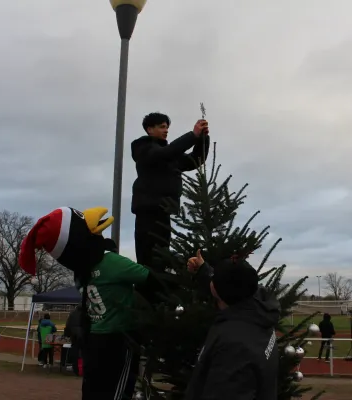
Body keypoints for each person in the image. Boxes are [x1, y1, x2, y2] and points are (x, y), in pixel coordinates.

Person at [18, 206, 165, 399]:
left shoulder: (81, 273)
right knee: (119, 391)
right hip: (120, 337)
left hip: (94, 338)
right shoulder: (111, 262)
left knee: (92, 390)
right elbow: (152, 278)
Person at [184, 250, 280, 400]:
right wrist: (204, 269)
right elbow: (233, 283)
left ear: (218, 289)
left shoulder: (234, 346)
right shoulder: (258, 309)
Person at [131, 113, 210, 274]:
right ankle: (146, 292)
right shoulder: (142, 147)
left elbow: (195, 160)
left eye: (167, 127)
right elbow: (164, 154)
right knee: (148, 258)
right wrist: (192, 135)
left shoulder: (170, 154)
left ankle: (159, 289)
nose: (166, 130)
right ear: (149, 129)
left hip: (165, 211)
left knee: (161, 256)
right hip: (148, 211)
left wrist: (202, 139)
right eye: (161, 126)